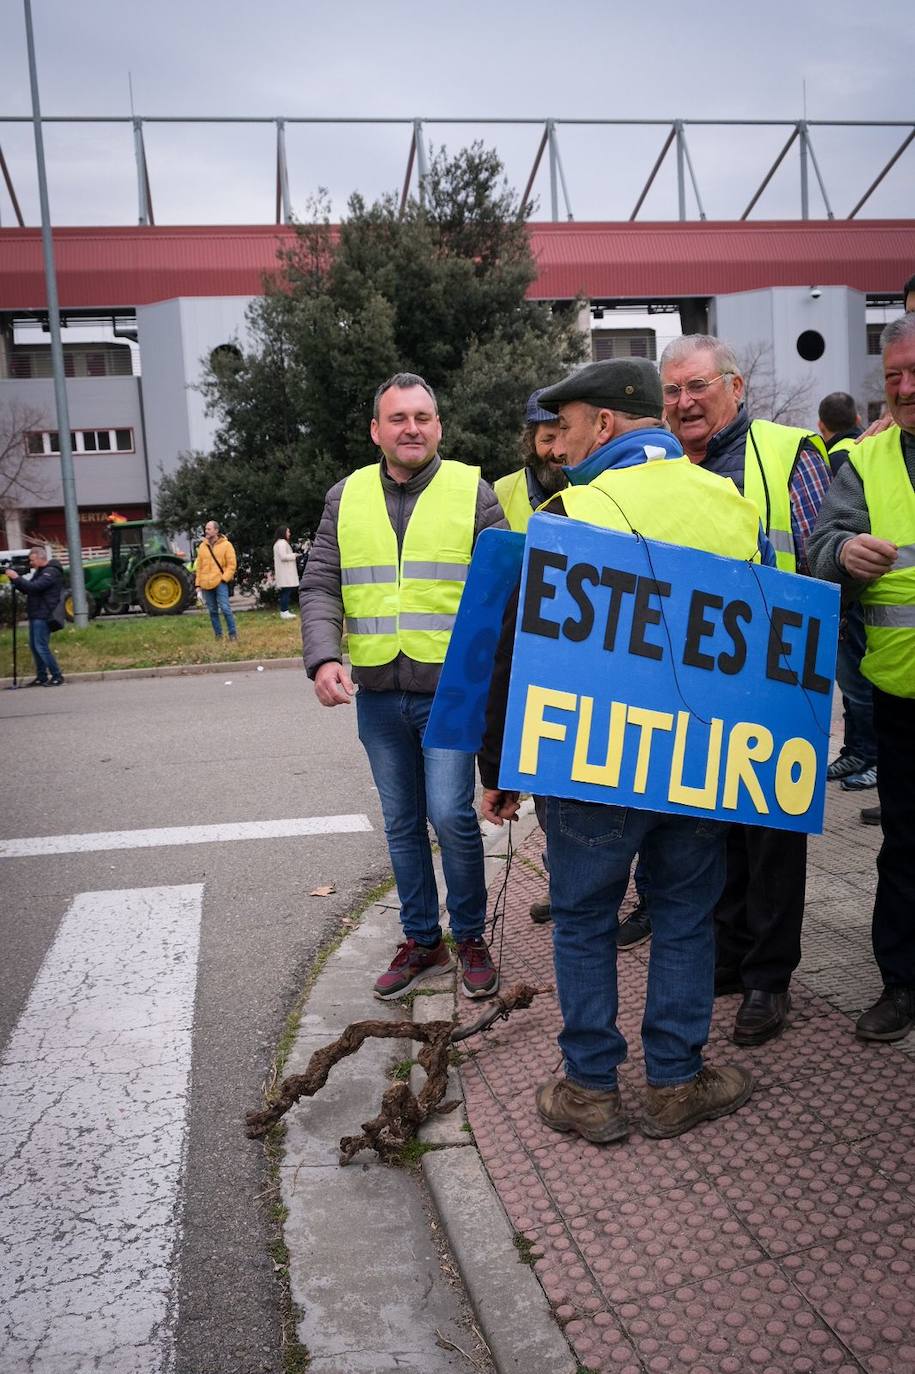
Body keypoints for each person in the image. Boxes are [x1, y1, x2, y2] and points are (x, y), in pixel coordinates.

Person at [480, 358, 760, 1143]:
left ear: (603, 425)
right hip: (698, 758)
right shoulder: (727, 502)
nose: (556, 449)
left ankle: (590, 1090)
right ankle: (675, 1082)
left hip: (593, 763)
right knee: (683, 916)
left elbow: (521, 652)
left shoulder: (572, 509)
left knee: (582, 919)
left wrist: (501, 767)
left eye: (565, 429)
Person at [300, 370, 506, 1001]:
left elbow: (504, 595)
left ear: (438, 426)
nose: (410, 428)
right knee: (400, 822)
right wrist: (323, 658)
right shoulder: (345, 496)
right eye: (398, 418)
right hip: (379, 691)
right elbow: (321, 585)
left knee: (449, 814)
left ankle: (469, 934)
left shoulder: (474, 491)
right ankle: (424, 940)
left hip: (450, 692)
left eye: (422, 417)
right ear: (376, 430)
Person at [659, 334, 831, 1047]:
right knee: (712, 831)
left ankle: (766, 978)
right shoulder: (662, 467)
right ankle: (727, 960)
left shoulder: (788, 455)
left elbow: (821, 558)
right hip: (694, 683)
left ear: (735, 387)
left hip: (775, 678)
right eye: (670, 392)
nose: (683, 402)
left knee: (769, 835)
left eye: (696, 386)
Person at [809, 312, 915, 1042]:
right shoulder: (864, 463)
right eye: (892, 380)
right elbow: (819, 544)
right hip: (901, 701)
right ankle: (901, 984)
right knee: (905, 848)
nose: (904, 390)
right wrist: (842, 554)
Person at [815, 394, 878, 793]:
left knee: (856, 681)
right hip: (871, 593)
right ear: (857, 417)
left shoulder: (840, 460)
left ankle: (867, 755)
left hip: (852, 590)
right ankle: (858, 752)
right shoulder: (870, 449)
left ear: (823, 427)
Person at [6, 546, 65, 687]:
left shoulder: (51, 572)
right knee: (35, 646)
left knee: (41, 646)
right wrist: (15, 581)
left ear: (40, 558)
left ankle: (57, 676)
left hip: (43, 614)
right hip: (36, 613)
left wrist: (17, 577)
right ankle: (41, 676)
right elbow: (28, 589)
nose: (30, 563)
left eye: (32, 560)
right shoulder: (40, 572)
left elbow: (35, 587)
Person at [195, 520, 238, 642]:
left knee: (225, 608)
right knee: (212, 610)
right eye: (206, 529)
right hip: (205, 583)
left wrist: (224, 579)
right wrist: (198, 584)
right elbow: (199, 567)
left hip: (220, 582)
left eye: (209, 529)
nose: (206, 531)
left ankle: (232, 634)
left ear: (216, 530)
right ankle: (218, 635)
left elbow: (231, 565)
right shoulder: (202, 546)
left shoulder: (226, 545)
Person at [273, 525, 299, 619]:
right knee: (286, 591)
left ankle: (285, 610)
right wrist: (294, 555)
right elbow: (283, 556)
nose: (289, 534)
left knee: (286, 591)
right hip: (286, 572)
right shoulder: (282, 543)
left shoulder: (279, 543)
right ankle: (284, 611)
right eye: (288, 532)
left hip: (284, 571)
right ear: (283, 533)